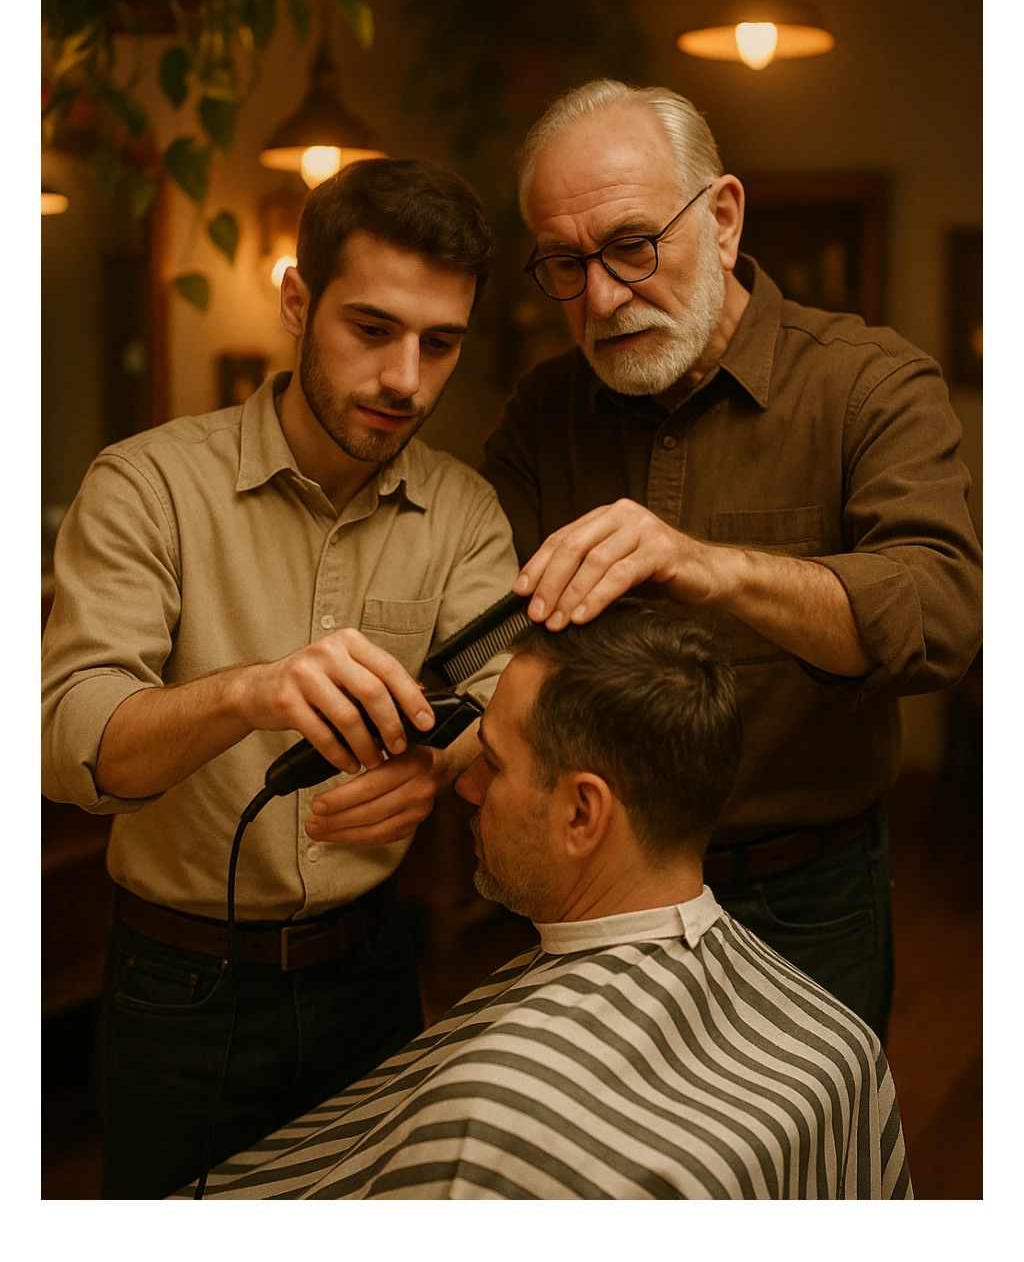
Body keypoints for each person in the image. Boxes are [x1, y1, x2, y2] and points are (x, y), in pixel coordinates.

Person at [41, 156, 521, 1199]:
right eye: (372, 329)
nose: (407, 379)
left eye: (440, 344)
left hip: (374, 972)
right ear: (297, 302)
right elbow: (67, 746)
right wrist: (245, 692)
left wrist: (443, 771)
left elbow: (506, 696)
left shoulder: (467, 513)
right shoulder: (147, 484)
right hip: (177, 987)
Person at [479, 78, 983, 1042]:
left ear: (721, 217)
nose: (601, 297)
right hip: (593, 898)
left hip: (807, 898)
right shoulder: (542, 413)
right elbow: (476, 626)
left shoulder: (867, 383)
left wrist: (717, 570)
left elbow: (944, 610)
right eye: (564, 262)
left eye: (631, 245)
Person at [184, 602, 912, 1201]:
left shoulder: (491, 1119)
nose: (462, 788)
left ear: (582, 814)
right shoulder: (841, 1043)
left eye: (491, 764)